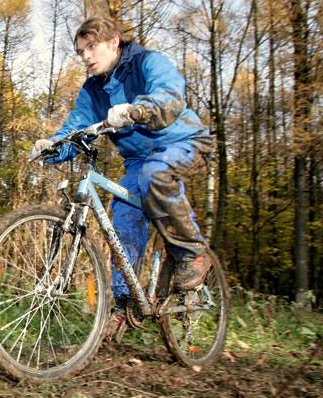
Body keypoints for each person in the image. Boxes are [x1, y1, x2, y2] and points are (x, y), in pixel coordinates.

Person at [29, 17, 214, 341]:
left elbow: (169, 95)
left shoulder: (147, 63)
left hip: (183, 143)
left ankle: (192, 254)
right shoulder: (93, 89)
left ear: (114, 42)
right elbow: (77, 125)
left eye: (92, 47)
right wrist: (52, 147)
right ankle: (126, 302)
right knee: (124, 214)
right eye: (81, 51)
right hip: (139, 161)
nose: (86, 56)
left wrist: (136, 110)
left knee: (155, 174)